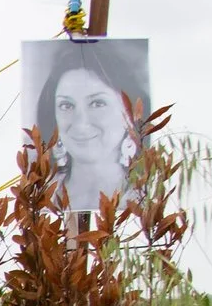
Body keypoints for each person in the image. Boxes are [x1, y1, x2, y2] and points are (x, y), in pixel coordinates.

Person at [29, 43, 149, 215]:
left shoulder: (146, 198)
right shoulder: (39, 197)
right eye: (66, 105)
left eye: (97, 103)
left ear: (129, 113)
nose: (81, 123)